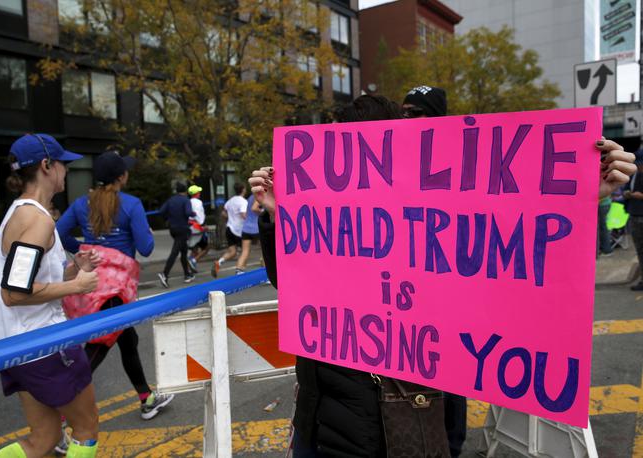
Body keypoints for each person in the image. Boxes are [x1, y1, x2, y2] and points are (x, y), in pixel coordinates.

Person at [249, 95, 636, 456]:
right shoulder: (326, 225)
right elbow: (291, 281)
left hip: (393, 424)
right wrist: (276, 213)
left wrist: (581, 195)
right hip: (316, 420)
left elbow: (509, 269)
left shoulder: (429, 230)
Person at [0, 134, 100, 458]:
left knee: (45, 437)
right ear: (46, 166)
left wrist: (70, 271)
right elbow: (14, 293)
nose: (67, 170)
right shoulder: (38, 219)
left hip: (13, 342)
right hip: (43, 342)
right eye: (64, 163)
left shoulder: (18, 212)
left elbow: (24, 280)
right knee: (86, 427)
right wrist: (77, 286)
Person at [57, 151, 174, 427]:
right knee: (96, 349)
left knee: (127, 340)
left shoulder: (81, 203)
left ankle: (146, 397)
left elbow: (58, 232)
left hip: (91, 281)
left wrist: (85, 250)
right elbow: (146, 247)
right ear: (122, 176)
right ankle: (61, 416)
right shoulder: (131, 205)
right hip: (117, 289)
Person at [402, 84, 468, 458]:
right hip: (409, 289)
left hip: (449, 287)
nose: (407, 119)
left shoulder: (461, 162)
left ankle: (452, 444)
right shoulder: (395, 160)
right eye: (404, 111)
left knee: (451, 371)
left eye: (416, 113)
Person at [157, 182, 195, 287]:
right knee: (175, 252)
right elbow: (188, 213)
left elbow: (161, 211)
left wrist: (167, 219)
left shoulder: (171, 200)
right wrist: (193, 214)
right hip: (182, 228)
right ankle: (164, 274)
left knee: (184, 251)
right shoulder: (186, 200)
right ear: (185, 191)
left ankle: (187, 274)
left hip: (172, 228)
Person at [211, 182, 248, 277]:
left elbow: (223, 213)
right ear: (243, 189)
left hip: (229, 228)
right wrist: (250, 220)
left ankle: (219, 262)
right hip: (238, 230)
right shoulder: (243, 201)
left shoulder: (230, 200)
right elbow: (243, 214)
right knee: (245, 250)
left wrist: (231, 217)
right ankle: (239, 270)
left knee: (233, 252)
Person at [624, 150, 643, 290]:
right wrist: (628, 193)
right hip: (634, 214)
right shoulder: (633, 174)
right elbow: (625, 188)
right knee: (639, 250)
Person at [236, 193, 262, 274]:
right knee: (264, 252)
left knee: (245, 251)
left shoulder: (250, 197)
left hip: (246, 228)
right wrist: (263, 212)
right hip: (257, 228)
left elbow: (248, 211)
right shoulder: (259, 195)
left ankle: (238, 270)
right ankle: (266, 274)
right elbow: (254, 208)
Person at [187, 184, 209, 272]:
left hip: (190, 227)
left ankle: (190, 267)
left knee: (194, 248)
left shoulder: (188, 202)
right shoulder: (198, 202)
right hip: (198, 228)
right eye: (198, 192)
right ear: (196, 193)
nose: (200, 193)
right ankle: (193, 261)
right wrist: (203, 225)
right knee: (206, 247)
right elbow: (198, 215)